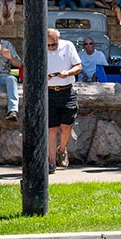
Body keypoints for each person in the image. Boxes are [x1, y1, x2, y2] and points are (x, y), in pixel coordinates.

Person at [45, 28, 83, 171]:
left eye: (54, 45)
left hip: (67, 91)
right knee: (52, 128)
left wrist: (67, 73)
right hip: (48, 92)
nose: (51, 48)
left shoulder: (68, 45)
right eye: (48, 46)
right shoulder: (39, 48)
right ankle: (52, 162)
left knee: (67, 126)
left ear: (58, 39)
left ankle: (62, 151)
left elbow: (78, 66)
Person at [0, 21, 21, 120]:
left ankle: (13, 110)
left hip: (3, 76)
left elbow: (19, 64)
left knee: (12, 79)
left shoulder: (6, 44)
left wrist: (10, 57)